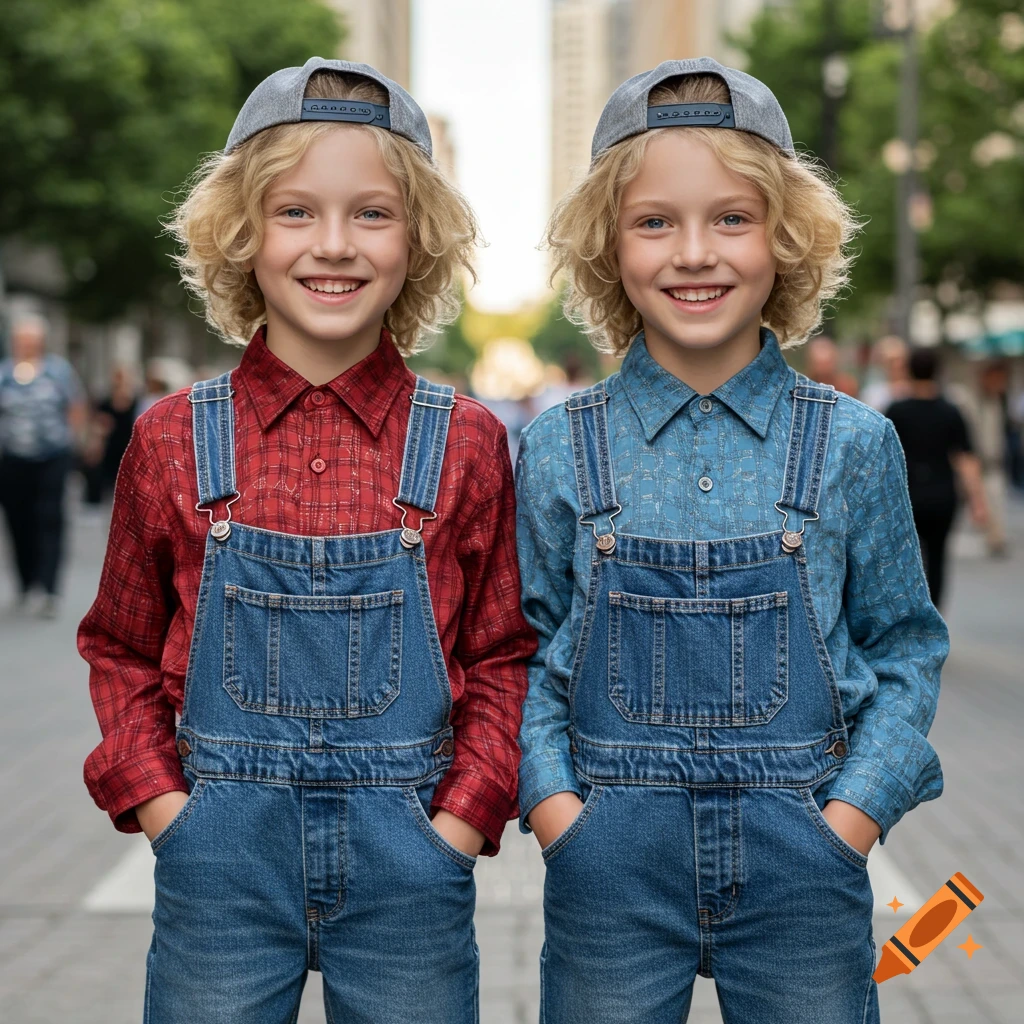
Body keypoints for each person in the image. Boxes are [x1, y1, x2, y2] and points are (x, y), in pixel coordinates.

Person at [78, 59, 535, 1023]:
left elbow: (503, 655)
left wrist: (461, 821)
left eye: (372, 213)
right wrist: (167, 812)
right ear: (241, 234)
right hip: (221, 873)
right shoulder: (170, 437)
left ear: (419, 238)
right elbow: (119, 645)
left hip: (412, 873)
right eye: (295, 212)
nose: (334, 244)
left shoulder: (466, 439)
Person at [515, 58, 947, 1023]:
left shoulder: (853, 443)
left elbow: (906, 646)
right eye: (653, 222)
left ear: (785, 239)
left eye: (732, 219)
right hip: (609, 872)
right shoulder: (557, 446)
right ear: (607, 245)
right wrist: (557, 815)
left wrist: (852, 819)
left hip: (806, 868)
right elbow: (525, 652)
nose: (694, 253)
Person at [886, 348, 989, 607]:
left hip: (906, 496)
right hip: (943, 495)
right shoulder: (951, 411)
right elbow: (966, 459)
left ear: (909, 371)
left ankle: (911, 611)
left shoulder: (896, 410)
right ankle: (935, 611)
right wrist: (978, 502)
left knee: (905, 558)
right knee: (938, 556)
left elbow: (884, 458)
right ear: (938, 372)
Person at [0, 312, 86, 617]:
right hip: (12, 459)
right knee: (18, 520)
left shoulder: (57, 371)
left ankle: (49, 588)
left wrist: (74, 441)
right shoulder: (5, 373)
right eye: (21, 340)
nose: (26, 345)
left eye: (31, 341)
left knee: (49, 518)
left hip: (52, 456)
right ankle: (26, 583)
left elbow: (75, 406)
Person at [861, 334, 910, 412]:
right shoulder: (872, 394)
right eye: (891, 361)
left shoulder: (915, 390)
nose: (897, 365)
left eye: (900, 359)